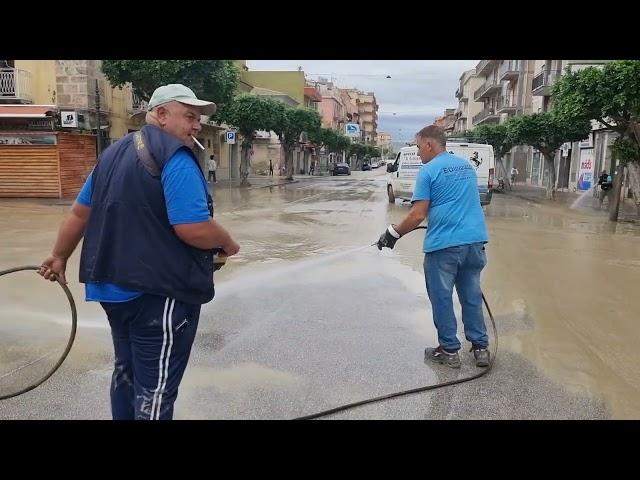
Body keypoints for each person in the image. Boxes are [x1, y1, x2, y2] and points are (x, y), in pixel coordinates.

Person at [38, 84, 240, 420]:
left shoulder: (111, 154)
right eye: (189, 116)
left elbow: (79, 213)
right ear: (161, 115)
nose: (197, 125)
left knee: (127, 374)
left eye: (199, 118)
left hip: (111, 290)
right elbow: (193, 228)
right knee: (155, 389)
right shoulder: (175, 157)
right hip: (159, 293)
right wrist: (229, 243)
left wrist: (59, 256)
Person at [377, 125, 490, 369]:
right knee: (471, 295)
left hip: (445, 247)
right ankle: (480, 348)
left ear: (429, 144)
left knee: (442, 298)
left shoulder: (429, 171)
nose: (418, 154)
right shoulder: (467, 167)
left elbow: (417, 215)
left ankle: (449, 350)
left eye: (419, 148)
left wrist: (392, 233)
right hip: (475, 243)